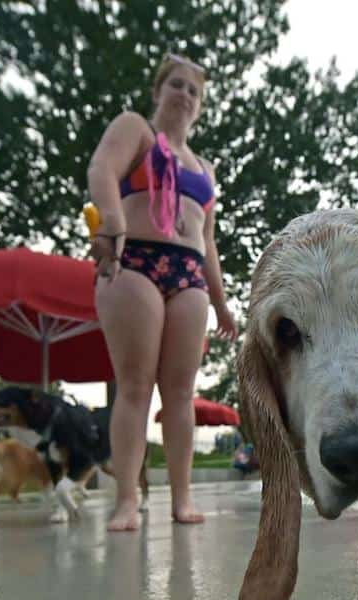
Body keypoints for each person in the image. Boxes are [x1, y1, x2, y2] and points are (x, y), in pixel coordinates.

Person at [87, 52, 237, 531]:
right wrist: (111, 223)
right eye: (176, 85)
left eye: (194, 91)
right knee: (134, 386)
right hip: (134, 261)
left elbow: (208, 239)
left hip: (189, 272)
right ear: (158, 91)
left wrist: (222, 303)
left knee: (180, 393)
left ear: (200, 106)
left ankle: (182, 498)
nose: (185, 95)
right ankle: (127, 499)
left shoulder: (205, 169)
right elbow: (101, 170)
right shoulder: (137, 130)